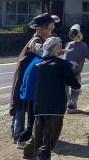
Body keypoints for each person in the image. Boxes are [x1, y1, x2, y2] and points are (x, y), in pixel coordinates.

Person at [23, 37, 80, 160]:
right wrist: (75, 79)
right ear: (55, 48)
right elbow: (74, 84)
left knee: (37, 132)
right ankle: (44, 156)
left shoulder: (39, 65)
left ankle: (28, 152)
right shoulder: (61, 65)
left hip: (39, 105)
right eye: (60, 45)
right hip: (55, 106)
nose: (61, 47)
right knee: (51, 134)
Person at [10, 12, 60, 146]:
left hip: (32, 79)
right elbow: (42, 51)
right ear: (42, 28)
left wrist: (58, 51)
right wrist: (53, 49)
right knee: (20, 106)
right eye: (51, 26)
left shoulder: (43, 39)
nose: (53, 28)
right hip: (23, 78)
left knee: (30, 107)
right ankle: (18, 137)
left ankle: (27, 135)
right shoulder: (35, 41)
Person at [64, 24, 89, 111]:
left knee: (65, 90)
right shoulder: (83, 46)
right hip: (75, 73)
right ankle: (72, 106)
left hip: (64, 72)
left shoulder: (68, 44)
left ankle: (65, 105)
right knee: (76, 89)